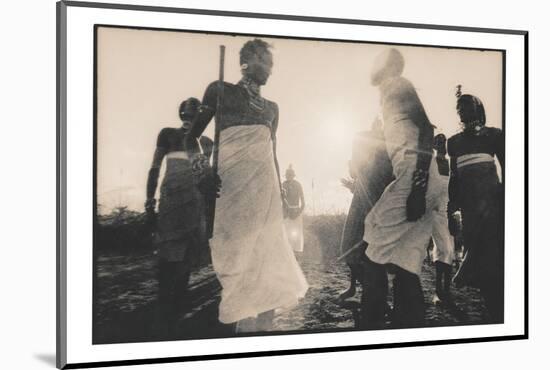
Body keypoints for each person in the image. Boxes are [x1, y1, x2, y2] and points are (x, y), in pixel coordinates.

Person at [185, 39, 308, 333]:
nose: (268, 69)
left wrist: (280, 196)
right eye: (264, 61)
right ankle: (236, 333)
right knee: (235, 262)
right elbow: (190, 138)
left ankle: (262, 335)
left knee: (268, 262)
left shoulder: (272, 109)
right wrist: (202, 171)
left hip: (265, 194)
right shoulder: (219, 91)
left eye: (271, 64)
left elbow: (272, 154)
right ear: (246, 60)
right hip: (230, 190)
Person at [361, 48, 447, 329]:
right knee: (406, 260)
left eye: (376, 59)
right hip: (418, 177)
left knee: (373, 241)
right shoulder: (386, 95)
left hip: (417, 176)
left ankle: (370, 323)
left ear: (387, 65)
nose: (371, 64)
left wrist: (418, 188)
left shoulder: (399, 85)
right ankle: (407, 325)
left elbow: (426, 130)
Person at [145, 97, 213, 332]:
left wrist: (208, 208)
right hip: (171, 200)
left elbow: (206, 178)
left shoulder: (206, 142)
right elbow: (154, 167)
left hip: (194, 203)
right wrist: (149, 201)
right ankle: (164, 307)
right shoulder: (167, 135)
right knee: (167, 253)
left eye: (193, 117)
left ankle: (178, 306)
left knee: (187, 255)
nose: (188, 120)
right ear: (180, 115)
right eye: (185, 116)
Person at [448, 85, 504, 323]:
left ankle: (502, 312)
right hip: (470, 211)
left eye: (468, 107)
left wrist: (503, 197)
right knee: (482, 268)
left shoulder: (495, 135)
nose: (463, 112)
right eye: (459, 108)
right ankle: (495, 313)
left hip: (494, 208)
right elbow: (454, 177)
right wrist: (451, 209)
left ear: (479, 109)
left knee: (497, 261)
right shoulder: (454, 142)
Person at [337, 117, 394, 303]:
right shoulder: (362, 139)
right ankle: (355, 287)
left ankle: (376, 295)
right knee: (350, 245)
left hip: (381, 200)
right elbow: (355, 171)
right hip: (362, 197)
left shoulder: (390, 142)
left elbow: (392, 174)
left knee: (374, 249)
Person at [431, 133, 455, 305]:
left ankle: (445, 291)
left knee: (450, 251)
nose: (442, 144)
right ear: (434, 145)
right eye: (439, 142)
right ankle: (438, 292)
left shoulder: (451, 163)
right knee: (443, 249)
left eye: (444, 142)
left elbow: (456, 187)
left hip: (449, 212)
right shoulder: (431, 163)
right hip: (434, 211)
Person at [282, 165, 305, 253]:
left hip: (296, 212)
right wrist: (286, 211)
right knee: (286, 234)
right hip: (286, 213)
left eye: (291, 175)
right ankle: (287, 253)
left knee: (296, 234)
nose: (289, 177)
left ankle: (295, 254)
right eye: (288, 175)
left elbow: (303, 203)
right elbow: (282, 200)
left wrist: (297, 213)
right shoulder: (283, 185)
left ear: (293, 176)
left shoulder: (298, 185)